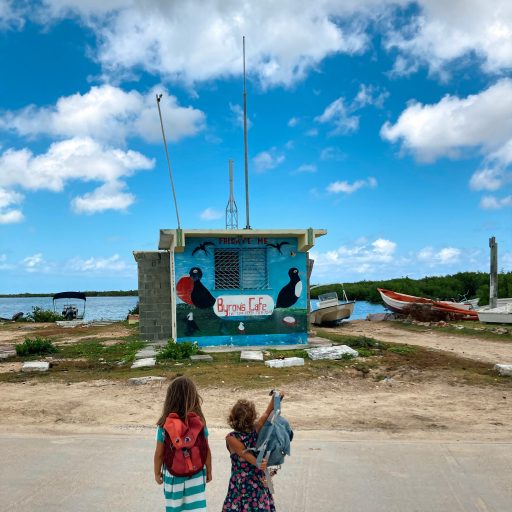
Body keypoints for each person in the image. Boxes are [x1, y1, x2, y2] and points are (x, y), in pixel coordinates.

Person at [154, 376, 212, 512]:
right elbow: (206, 449)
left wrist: (157, 473)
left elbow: (159, 454)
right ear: (194, 398)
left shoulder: (164, 426)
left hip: (173, 475)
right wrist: (209, 470)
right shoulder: (199, 423)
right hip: (196, 474)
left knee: (175, 507)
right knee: (196, 507)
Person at [222, 392, 284, 511]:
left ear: (232, 418)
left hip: (241, 485)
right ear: (253, 417)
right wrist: (258, 462)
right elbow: (243, 452)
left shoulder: (231, 438)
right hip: (256, 483)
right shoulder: (255, 431)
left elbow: (242, 453)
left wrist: (277, 398)